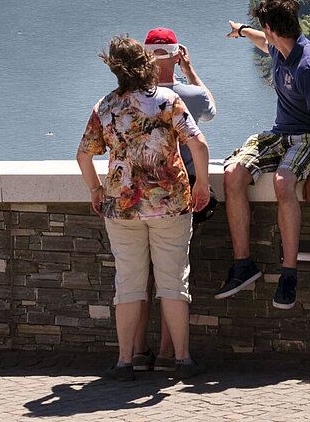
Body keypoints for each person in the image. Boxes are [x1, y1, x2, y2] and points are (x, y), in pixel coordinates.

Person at [77, 35, 210, 382]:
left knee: (129, 284)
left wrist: (95, 190)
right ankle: (181, 359)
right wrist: (202, 185)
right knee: (173, 281)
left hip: (121, 207)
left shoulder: (104, 107)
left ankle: (125, 361)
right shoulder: (167, 100)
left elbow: (83, 155)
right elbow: (198, 142)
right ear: (146, 64)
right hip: (170, 204)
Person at [217, 0, 310, 310]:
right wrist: (243, 30)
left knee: (283, 182)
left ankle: (289, 274)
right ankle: (243, 265)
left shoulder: (308, 66)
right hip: (280, 134)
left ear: (272, 27)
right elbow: (263, 42)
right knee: (232, 174)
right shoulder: (280, 47)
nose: (265, 35)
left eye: (264, 28)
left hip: (309, 137)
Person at [133, 27, 217, 370]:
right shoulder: (189, 96)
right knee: (171, 274)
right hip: (177, 194)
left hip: (136, 194)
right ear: (175, 55)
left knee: (137, 277)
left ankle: (137, 352)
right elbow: (210, 109)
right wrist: (190, 70)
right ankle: (168, 353)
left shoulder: (129, 97)